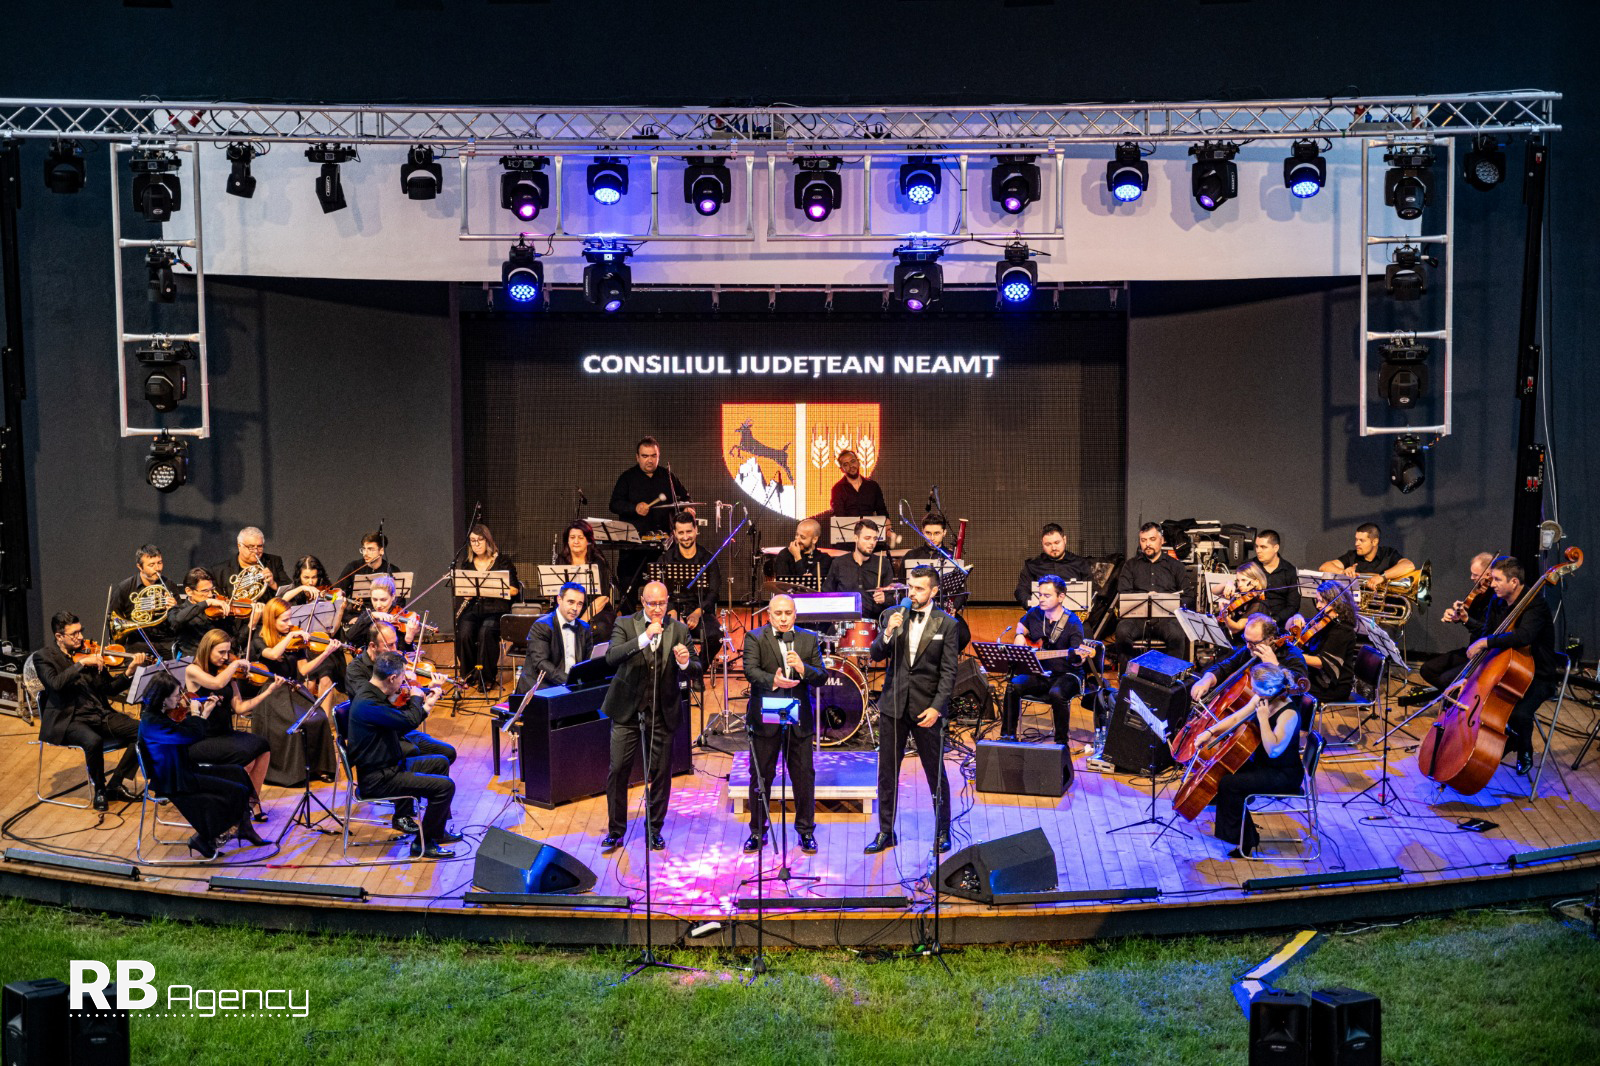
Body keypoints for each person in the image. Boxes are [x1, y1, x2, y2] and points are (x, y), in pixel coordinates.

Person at [599, 581, 703, 852]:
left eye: (662, 603)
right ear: (642, 602)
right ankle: (616, 830)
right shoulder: (625, 624)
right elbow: (611, 657)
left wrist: (684, 662)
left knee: (660, 773)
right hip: (627, 710)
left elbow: (696, 667)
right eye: (652, 604)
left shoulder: (679, 629)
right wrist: (644, 637)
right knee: (618, 770)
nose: (657, 609)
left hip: (662, 712)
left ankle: (654, 829)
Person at [865, 566, 959, 855]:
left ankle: (942, 831)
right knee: (887, 772)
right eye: (910, 587)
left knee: (935, 772)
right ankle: (885, 831)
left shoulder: (947, 624)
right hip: (894, 704)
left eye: (919, 588)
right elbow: (876, 653)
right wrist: (888, 632)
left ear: (933, 591)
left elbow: (948, 673)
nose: (913, 593)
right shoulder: (894, 615)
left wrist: (937, 708)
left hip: (926, 708)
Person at [347, 651, 461, 859]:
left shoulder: (372, 693)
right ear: (392, 678)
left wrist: (427, 701)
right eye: (402, 677)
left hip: (391, 766)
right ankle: (423, 844)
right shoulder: (369, 704)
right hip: (378, 779)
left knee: (441, 762)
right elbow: (407, 721)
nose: (404, 683)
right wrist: (418, 698)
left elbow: (401, 722)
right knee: (445, 787)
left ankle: (436, 831)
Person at [138, 673, 260, 859]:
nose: (180, 699)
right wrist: (196, 714)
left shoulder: (160, 715)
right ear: (163, 698)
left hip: (184, 769)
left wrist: (204, 714)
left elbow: (188, 731)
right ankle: (203, 838)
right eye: (176, 695)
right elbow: (189, 736)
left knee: (237, 772)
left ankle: (244, 828)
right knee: (236, 790)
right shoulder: (151, 723)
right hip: (174, 780)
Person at [742, 593, 827, 854]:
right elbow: (750, 670)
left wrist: (802, 668)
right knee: (761, 777)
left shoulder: (808, 639)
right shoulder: (755, 637)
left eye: (788, 613)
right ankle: (757, 831)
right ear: (769, 614)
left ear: (795, 614)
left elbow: (821, 676)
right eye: (778, 613)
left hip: (798, 718)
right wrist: (773, 681)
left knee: (803, 777)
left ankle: (805, 831)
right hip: (765, 717)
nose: (783, 618)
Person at [34, 611, 145, 811]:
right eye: (74, 634)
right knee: (93, 741)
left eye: (80, 631)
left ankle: (115, 784)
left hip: (99, 714)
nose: (81, 637)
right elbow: (55, 684)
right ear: (59, 636)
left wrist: (129, 672)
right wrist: (81, 664)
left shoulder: (89, 653)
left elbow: (110, 689)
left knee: (143, 732)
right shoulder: (44, 657)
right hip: (70, 719)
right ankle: (100, 789)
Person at [1193, 664, 1303, 857]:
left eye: (1256, 689)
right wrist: (1209, 732)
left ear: (1271, 690)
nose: (1253, 692)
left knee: (1231, 784)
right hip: (1263, 765)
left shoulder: (1289, 714)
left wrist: (1263, 719)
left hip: (1283, 774)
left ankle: (1246, 842)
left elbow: (1273, 751)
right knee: (1224, 773)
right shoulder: (1262, 699)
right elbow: (1236, 718)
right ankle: (1242, 832)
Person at [1468, 555, 1561, 775]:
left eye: (1497, 580)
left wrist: (1487, 642)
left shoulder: (1535, 604)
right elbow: (1488, 633)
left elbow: (1523, 636)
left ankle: (1523, 748)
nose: (1492, 584)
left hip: (1538, 674)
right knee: (1479, 703)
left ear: (1514, 582)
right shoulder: (1497, 601)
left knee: (1518, 714)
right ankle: (1502, 741)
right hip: (1504, 669)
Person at [183, 628, 280, 821]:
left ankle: (252, 803)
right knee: (245, 756)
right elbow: (216, 684)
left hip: (225, 732)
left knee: (262, 745)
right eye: (221, 652)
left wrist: (267, 692)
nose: (226, 657)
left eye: (228, 652)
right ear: (207, 649)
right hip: (203, 737)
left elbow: (240, 708)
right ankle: (232, 804)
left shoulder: (227, 672)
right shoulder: (193, 670)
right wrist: (235, 664)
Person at [248, 598, 339, 786]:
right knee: (295, 723)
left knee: (320, 717)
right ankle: (293, 773)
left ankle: (318, 767)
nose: (289, 624)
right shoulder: (259, 640)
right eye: (284, 620)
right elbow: (273, 654)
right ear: (271, 620)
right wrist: (290, 636)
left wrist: (326, 653)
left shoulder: (294, 639)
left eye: (290, 619)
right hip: (272, 692)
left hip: (293, 688)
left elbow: (304, 670)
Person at [343, 622, 456, 770]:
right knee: (416, 753)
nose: (394, 650)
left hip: (399, 727)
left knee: (448, 753)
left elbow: (403, 699)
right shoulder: (355, 670)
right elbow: (373, 701)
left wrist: (427, 689)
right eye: (389, 645)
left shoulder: (391, 663)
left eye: (395, 643)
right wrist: (409, 691)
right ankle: (410, 780)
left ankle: (422, 780)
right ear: (373, 646)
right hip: (378, 737)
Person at [1001, 574, 1095, 743]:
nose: (1041, 599)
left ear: (1061, 597)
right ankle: (1008, 737)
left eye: (1047, 595)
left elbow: (1078, 660)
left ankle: (1061, 743)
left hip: (1068, 674)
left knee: (1057, 693)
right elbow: (1021, 625)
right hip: (1041, 672)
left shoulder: (1073, 623)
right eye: (1040, 595)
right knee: (1012, 686)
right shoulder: (1035, 613)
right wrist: (1019, 635)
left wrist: (1078, 656)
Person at [1402, 552, 1497, 706]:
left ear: (1488, 574)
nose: (1472, 578)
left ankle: (1457, 703)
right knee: (1427, 670)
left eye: (1476, 575)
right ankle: (1452, 697)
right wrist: (1456, 616)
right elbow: (1470, 619)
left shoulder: (1497, 598)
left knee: (1445, 679)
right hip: (1471, 649)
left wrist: (1466, 619)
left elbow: (1487, 631)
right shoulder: (1479, 594)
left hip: (1485, 655)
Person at [609, 437, 692, 608]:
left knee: (666, 587)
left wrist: (687, 508)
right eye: (645, 456)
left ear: (658, 456)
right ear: (637, 457)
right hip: (633, 546)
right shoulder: (627, 477)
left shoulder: (667, 477)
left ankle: (666, 617)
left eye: (653, 456)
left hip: (662, 545)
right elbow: (614, 504)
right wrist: (634, 508)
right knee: (628, 587)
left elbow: (685, 498)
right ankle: (629, 618)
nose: (649, 460)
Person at [1112, 523, 1193, 664]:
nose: (1147, 544)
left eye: (1152, 539)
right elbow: (1124, 593)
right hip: (1137, 618)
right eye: (1143, 540)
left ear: (1162, 540)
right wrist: (1144, 598)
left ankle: (1170, 674)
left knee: (1177, 634)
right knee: (1122, 632)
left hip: (1166, 619)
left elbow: (1188, 595)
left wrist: (1167, 601)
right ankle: (1130, 673)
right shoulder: (1130, 565)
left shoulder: (1176, 566)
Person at [455, 523, 522, 692]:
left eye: (480, 540)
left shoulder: (502, 561)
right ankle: (469, 674)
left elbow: (514, 589)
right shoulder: (468, 563)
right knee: (464, 633)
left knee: (486, 632)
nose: (476, 544)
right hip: (474, 609)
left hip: (496, 610)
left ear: (488, 541)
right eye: (473, 541)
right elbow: (464, 590)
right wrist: (466, 593)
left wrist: (492, 588)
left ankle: (486, 677)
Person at [1190, 613, 1310, 704]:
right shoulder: (1250, 648)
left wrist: (1275, 665)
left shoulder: (1292, 654)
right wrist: (1206, 679)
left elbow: (1299, 687)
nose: (1248, 646)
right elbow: (1225, 666)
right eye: (1246, 640)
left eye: (1253, 643)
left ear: (1270, 639)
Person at [656, 511, 722, 666]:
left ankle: (697, 669)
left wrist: (697, 613)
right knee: (657, 635)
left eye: (689, 531)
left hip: (700, 611)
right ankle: (673, 673)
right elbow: (660, 591)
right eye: (681, 533)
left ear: (696, 530)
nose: (685, 537)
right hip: (672, 611)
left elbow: (714, 593)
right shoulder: (665, 559)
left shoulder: (708, 559)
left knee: (716, 635)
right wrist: (672, 611)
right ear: (674, 533)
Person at [516, 583, 594, 692]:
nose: (575, 608)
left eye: (579, 604)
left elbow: (588, 661)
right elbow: (541, 663)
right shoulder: (542, 626)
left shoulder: (585, 628)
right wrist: (569, 682)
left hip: (572, 686)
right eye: (571, 602)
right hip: (542, 686)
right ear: (559, 600)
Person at [1291, 580, 1360, 703]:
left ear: (1336, 603)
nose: (1318, 606)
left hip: (1332, 686)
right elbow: (1295, 625)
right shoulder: (1325, 621)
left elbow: (1322, 662)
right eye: (1317, 601)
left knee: (1287, 686)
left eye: (1321, 601)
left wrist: (1293, 655)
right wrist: (1297, 617)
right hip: (1315, 676)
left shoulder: (1343, 630)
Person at [555, 519, 618, 643]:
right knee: (545, 624)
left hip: (594, 609)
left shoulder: (597, 561)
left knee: (601, 629)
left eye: (580, 538)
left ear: (588, 541)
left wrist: (582, 621)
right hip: (568, 607)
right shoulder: (561, 560)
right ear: (567, 540)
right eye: (572, 537)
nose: (576, 541)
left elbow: (603, 598)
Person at [110, 543, 179, 653]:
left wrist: (174, 609)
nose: (157, 568)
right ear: (139, 566)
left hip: (166, 643)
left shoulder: (169, 585)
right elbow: (113, 618)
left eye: (159, 563)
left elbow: (179, 621)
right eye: (151, 565)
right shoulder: (124, 588)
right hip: (137, 643)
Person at [213, 526, 290, 611]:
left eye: (260, 546)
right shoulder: (219, 571)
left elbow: (290, 588)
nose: (256, 551)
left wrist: (273, 584)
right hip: (237, 616)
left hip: (267, 614)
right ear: (239, 546)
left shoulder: (273, 561)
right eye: (251, 547)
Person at [1014, 523, 1092, 607]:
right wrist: (1033, 605)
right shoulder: (1032, 566)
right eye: (1048, 544)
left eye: (1057, 542)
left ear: (1064, 540)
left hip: (1073, 613)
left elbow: (1092, 592)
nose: (1054, 548)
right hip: (1042, 612)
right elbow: (1021, 591)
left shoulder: (1081, 563)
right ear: (1042, 544)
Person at [823, 520, 896, 610]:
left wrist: (885, 599)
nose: (872, 543)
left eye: (875, 539)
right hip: (845, 616)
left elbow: (894, 598)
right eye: (867, 538)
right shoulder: (839, 563)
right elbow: (826, 594)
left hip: (873, 617)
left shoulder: (884, 563)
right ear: (856, 538)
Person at [1317, 523, 1416, 590]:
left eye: (1362, 540)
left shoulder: (1388, 554)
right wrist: (1343, 572)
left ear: (1375, 542)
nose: (1356, 544)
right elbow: (1324, 567)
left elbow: (1409, 565)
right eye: (1356, 539)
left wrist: (1382, 577)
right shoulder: (1352, 555)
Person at [168, 568, 231, 660]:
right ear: (189, 591)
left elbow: (232, 637)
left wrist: (250, 625)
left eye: (212, 590)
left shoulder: (218, 610)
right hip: (194, 661)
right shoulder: (177, 610)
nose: (210, 595)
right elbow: (177, 620)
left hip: (221, 660)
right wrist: (206, 603)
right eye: (205, 591)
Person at [1253, 530, 1301, 627]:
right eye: (1257, 546)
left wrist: (1274, 620)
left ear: (1276, 548)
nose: (1258, 550)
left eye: (1263, 547)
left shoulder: (1289, 571)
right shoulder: (1251, 566)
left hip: (1279, 623)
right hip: (1252, 620)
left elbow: (1293, 606)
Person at [338, 531, 400, 603]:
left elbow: (400, 601)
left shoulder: (392, 570)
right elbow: (338, 592)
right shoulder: (353, 567)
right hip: (358, 610)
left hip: (383, 610)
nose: (365, 553)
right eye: (364, 549)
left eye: (370, 549)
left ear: (381, 551)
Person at [829, 449, 888, 523]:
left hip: (871, 528)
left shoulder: (873, 486)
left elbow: (882, 510)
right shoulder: (837, 489)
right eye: (846, 464)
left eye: (853, 461)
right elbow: (839, 516)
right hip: (848, 528)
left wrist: (886, 523)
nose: (851, 466)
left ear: (858, 462)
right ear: (842, 469)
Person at [1216, 562, 1270, 642]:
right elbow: (1214, 590)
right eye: (1238, 580)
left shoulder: (1258, 604)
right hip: (1236, 641)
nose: (1239, 585)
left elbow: (1236, 628)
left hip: (1248, 645)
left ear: (1256, 581)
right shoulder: (1243, 593)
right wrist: (1228, 583)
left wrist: (1224, 615)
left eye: (1244, 580)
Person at [771, 518, 826, 589]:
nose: (797, 540)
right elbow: (782, 586)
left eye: (803, 537)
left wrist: (797, 557)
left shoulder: (824, 559)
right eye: (797, 535)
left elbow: (808, 588)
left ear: (814, 539)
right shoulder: (785, 554)